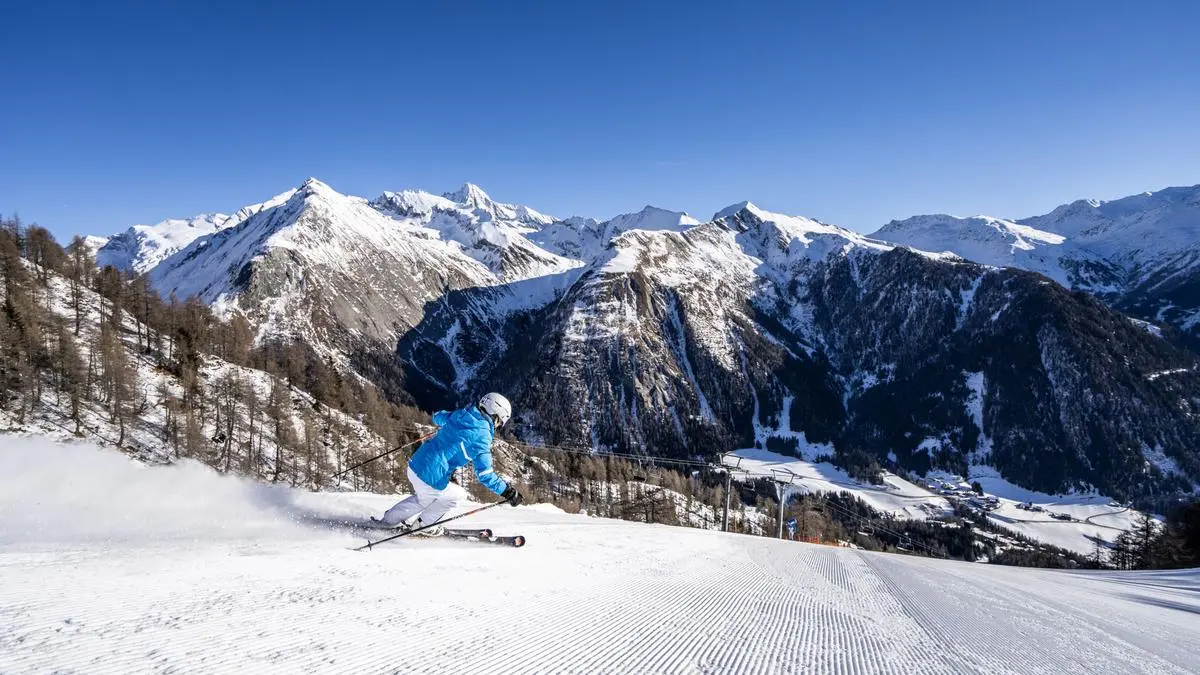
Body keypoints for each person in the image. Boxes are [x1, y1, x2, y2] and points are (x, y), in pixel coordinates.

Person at [377, 392, 523, 536]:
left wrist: (449, 428)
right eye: (500, 422)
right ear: (496, 415)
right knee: (457, 495)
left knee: (423, 499)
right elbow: (485, 474)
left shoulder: (462, 414)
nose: (498, 426)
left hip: (416, 463)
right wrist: (508, 492)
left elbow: (437, 417)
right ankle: (424, 526)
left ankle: (387, 522)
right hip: (431, 475)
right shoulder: (483, 436)